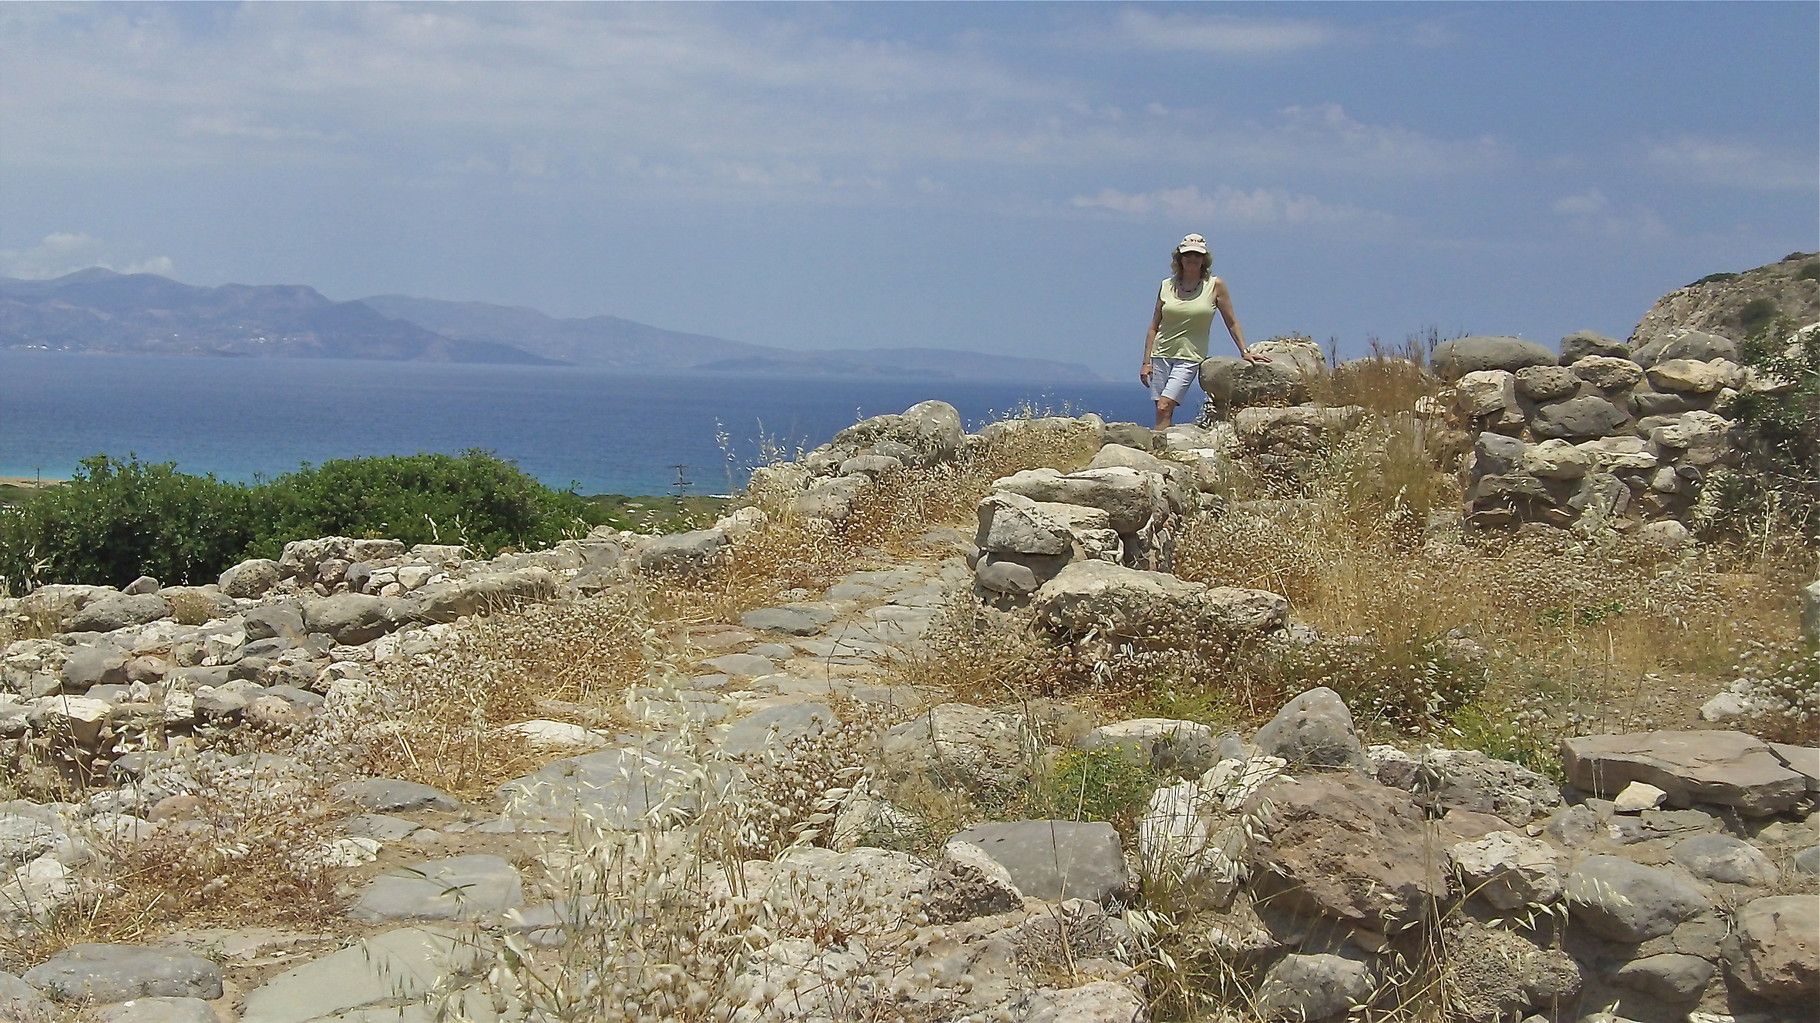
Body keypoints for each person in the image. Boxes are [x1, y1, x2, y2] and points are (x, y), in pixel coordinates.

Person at [1140, 233, 1269, 429]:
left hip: (1190, 356)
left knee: (1164, 406)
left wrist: (1245, 351)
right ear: (1180, 258)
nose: (1192, 259)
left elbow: (1231, 321)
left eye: (1197, 255)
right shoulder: (1167, 285)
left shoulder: (1215, 285)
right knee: (1161, 409)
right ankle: (1160, 453)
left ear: (1204, 259)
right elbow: (1154, 326)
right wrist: (1146, 362)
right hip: (1161, 353)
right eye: (1188, 254)